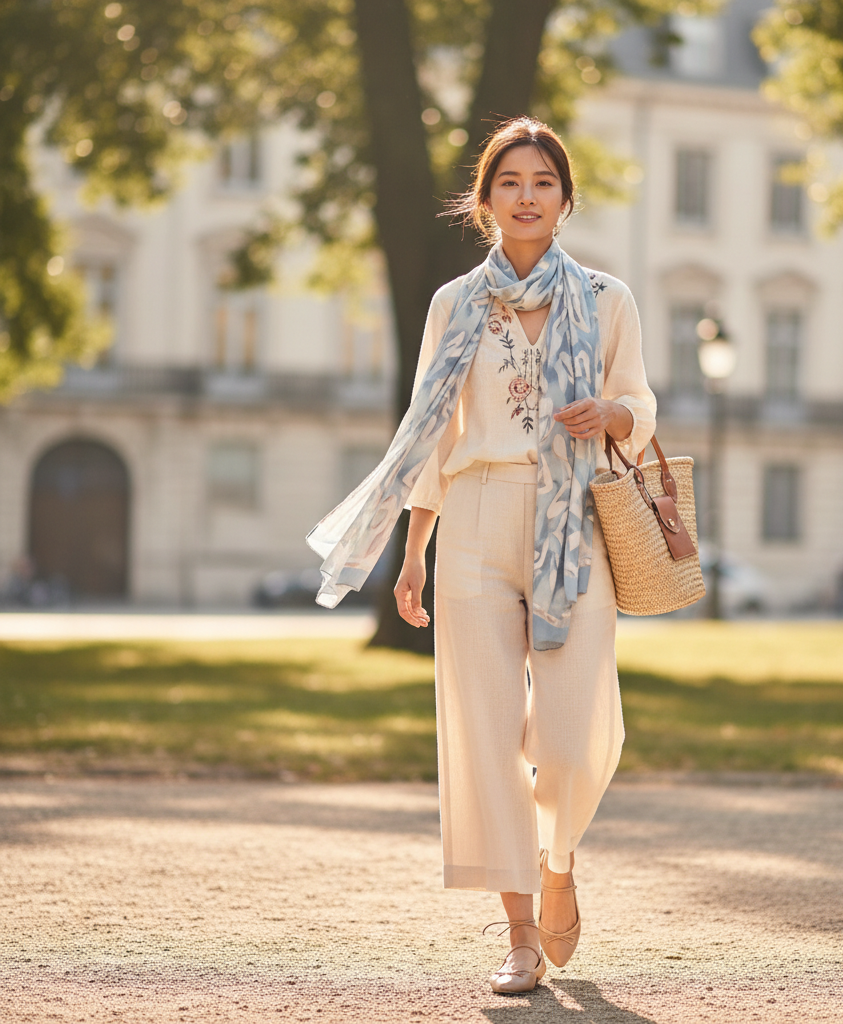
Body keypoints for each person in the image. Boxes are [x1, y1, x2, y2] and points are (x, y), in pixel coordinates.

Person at [306, 117, 656, 994]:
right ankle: (519, 933)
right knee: (486, 733)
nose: (527, 196)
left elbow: (638, 401)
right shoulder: (455, 303)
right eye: (510, 182)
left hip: (574, 519)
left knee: (571, 742)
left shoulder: (609, 297)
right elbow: (431, 431)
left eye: (543, 182)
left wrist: (611, 416)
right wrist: (413, 552)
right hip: (472, 519)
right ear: (485, 199)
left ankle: (559, 857)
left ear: (566, 199)